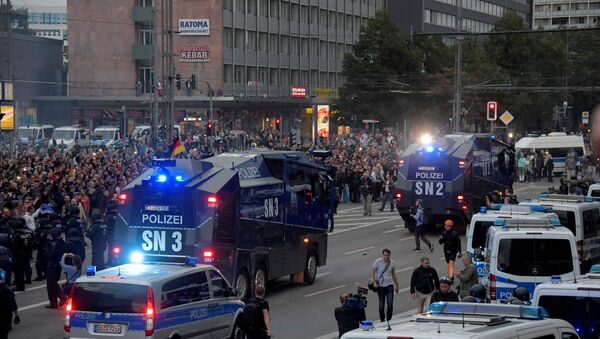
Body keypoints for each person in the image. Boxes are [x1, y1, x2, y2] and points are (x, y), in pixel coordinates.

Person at [370, 248, 399, 323]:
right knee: (381, 305)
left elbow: (393, 274)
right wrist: (374, 282)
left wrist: (397, 284)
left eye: (388, 255)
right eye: (385, 255)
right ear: (383, 254)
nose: (386, 257)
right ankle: (382, 320)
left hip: (389, 285)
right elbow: (372, 271)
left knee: (390, 303)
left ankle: (389, 319)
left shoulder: (392, 262)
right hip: (380, 286)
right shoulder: (378, 261)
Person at [10, 219, 33, 291]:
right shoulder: (27, 234)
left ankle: (20, 286)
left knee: (18, 271)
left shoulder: (16, 236)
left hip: (18, 255)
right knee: (26, 267)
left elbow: (14, 247)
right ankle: (27, 280)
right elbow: (31, 244)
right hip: (27, 254)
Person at [45, 227, 65, 309]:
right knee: (53, 283)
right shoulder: (61, 242)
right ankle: (56, 301)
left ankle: (59, 298)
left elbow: (50, 256)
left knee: (51, 284)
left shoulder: (54, 244)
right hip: (58, 266)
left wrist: (46, 250)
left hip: (52, 266)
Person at [0, 268, 20, 339]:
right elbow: (13, 305)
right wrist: (17, 316)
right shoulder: (7, 290)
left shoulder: (6, 291)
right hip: (5, 318)